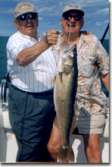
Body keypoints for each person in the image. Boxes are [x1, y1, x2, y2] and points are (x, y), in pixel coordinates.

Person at [47, 4, 109, 163]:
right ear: (62, 20)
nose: (72, 20)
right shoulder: (54, 41)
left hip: (91, 103)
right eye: (68, 16)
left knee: (93, 151)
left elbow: (106, 73)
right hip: (64, 103)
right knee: (53, 148)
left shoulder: (93, 41)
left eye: (77, 17)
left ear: (82, 21)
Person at [6, 1, 58, 162]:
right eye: (23, 17)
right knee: (31, 149)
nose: (28, 20)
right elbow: (22, 58)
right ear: (16, 23)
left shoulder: (42, 38)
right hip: (28, 103)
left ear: (37, 19)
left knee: (47, 147)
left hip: (50, 100)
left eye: (32, 16)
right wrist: (45, 43)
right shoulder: (15, 40)